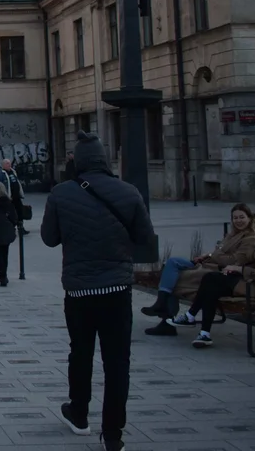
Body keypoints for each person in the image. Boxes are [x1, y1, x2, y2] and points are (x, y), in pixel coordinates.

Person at [41, 131, 154, 451]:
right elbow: (145, 238)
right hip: (117, 289)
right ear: (105, 160)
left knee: (81, 353)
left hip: (79, 291)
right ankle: (114, 432)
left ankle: (79, 413)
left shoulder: (61, 193)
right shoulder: (129, 192)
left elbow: (49, 238)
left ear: (77, 161)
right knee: (118, 361)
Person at [165, 208, 255, 348]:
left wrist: (240, 269)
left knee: (211, 281)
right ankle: (203, 333)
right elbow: (250, 262)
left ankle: (194, 320)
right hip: (252, 282)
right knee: (211, 282)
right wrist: (234, 268)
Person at [142, 203, 255, 325]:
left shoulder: (250, 239)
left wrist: (212, 255)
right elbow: (218, 252)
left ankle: (165, 322)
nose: (238, 221)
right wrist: (208, 255)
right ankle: (161, 303)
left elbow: (233, 260)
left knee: (174, 278)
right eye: (235, 218)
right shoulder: (231, 235)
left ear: (249, 218)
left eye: (242, 217)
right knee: (171, 263)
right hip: (208, 264)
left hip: (220, 271)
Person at [0, 159, 29, 235]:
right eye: (7, 164)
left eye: (9, 163)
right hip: (9, 198)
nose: (9, 165)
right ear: (3, 165)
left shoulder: (13, 172)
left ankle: (21, 228)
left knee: (20, 212)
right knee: (11, 214)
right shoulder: (0, 175)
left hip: (17, 197)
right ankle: (11, 229)